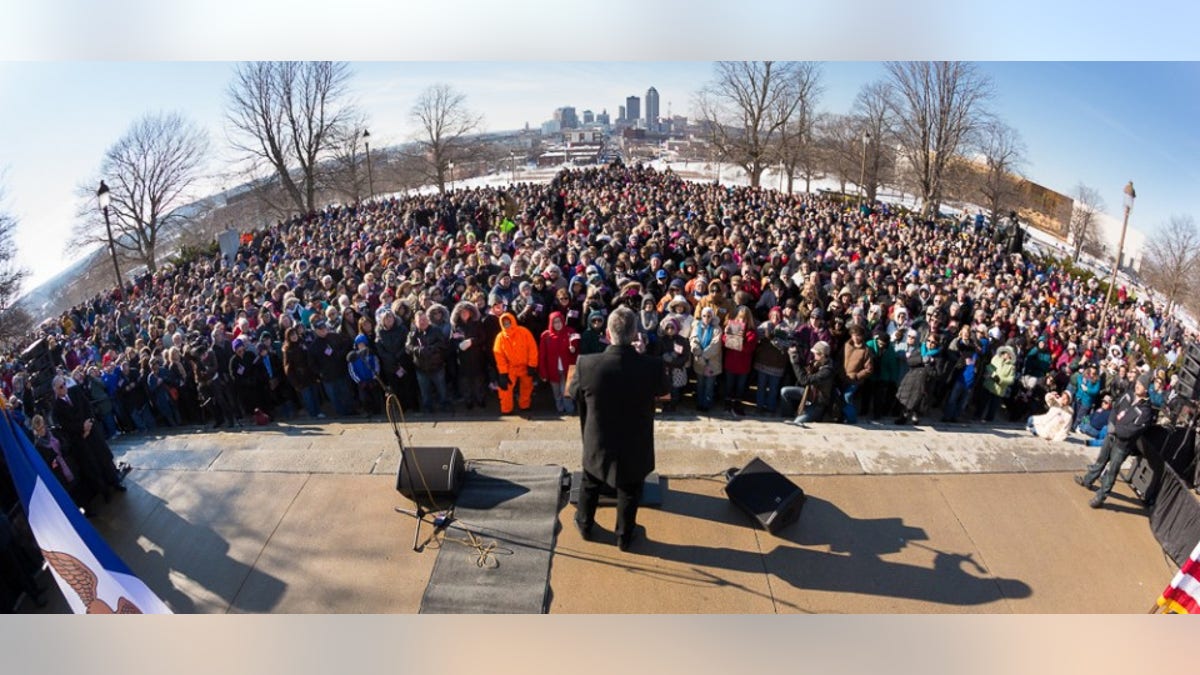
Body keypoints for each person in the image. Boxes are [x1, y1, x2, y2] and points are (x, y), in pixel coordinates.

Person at [568, 306, 669, 551]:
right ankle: (624, 536)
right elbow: (663, 391)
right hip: (634, 441)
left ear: (607, 332)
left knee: (591, 482)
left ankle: (584, 524)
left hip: (599, 439)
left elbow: (573, 393)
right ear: (635, 333)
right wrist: (642, 356)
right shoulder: (651, 365)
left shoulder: (586, 364)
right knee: (630, 488)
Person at [1074, 380, 1154, 508]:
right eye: (1138, 382)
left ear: (1146, 389)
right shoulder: (1128, 395)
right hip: (1110, 436)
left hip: (1123, 445)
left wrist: (1116, 430)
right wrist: (1111, 423)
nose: (1138, 385)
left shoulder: (1146, 411)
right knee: (1100, 460)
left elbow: (1133, 430)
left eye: (1141, 384)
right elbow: (1115, 409)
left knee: (1112, 472)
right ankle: (1088, 480)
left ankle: (1100, 497)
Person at [493, 310, 539, 415]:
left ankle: (525, 405)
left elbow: (533, 349)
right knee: (504, 388)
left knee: (527, 386)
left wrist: (532, 365)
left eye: (508, 322)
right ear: (501, 324)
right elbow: (499, 355)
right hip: (510, 368)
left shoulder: (524, 332)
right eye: (504, 323)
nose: (507, 325)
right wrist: (503, 373)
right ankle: (506, 409)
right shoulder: (500, 338)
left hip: (525, 366)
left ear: (513, 321)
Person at [780, 340, 835, 425]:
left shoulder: (827, 371)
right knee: (784, 391)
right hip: (809, 393)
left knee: (798, 422)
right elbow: (804, 371)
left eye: (816, 353)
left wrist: (795, 362)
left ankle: (805, 416)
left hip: (817, 403)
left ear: (822, 355)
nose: (814, 355)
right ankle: (788, 415)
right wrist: (797, 353)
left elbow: (804, 380)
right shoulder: (817, 363)